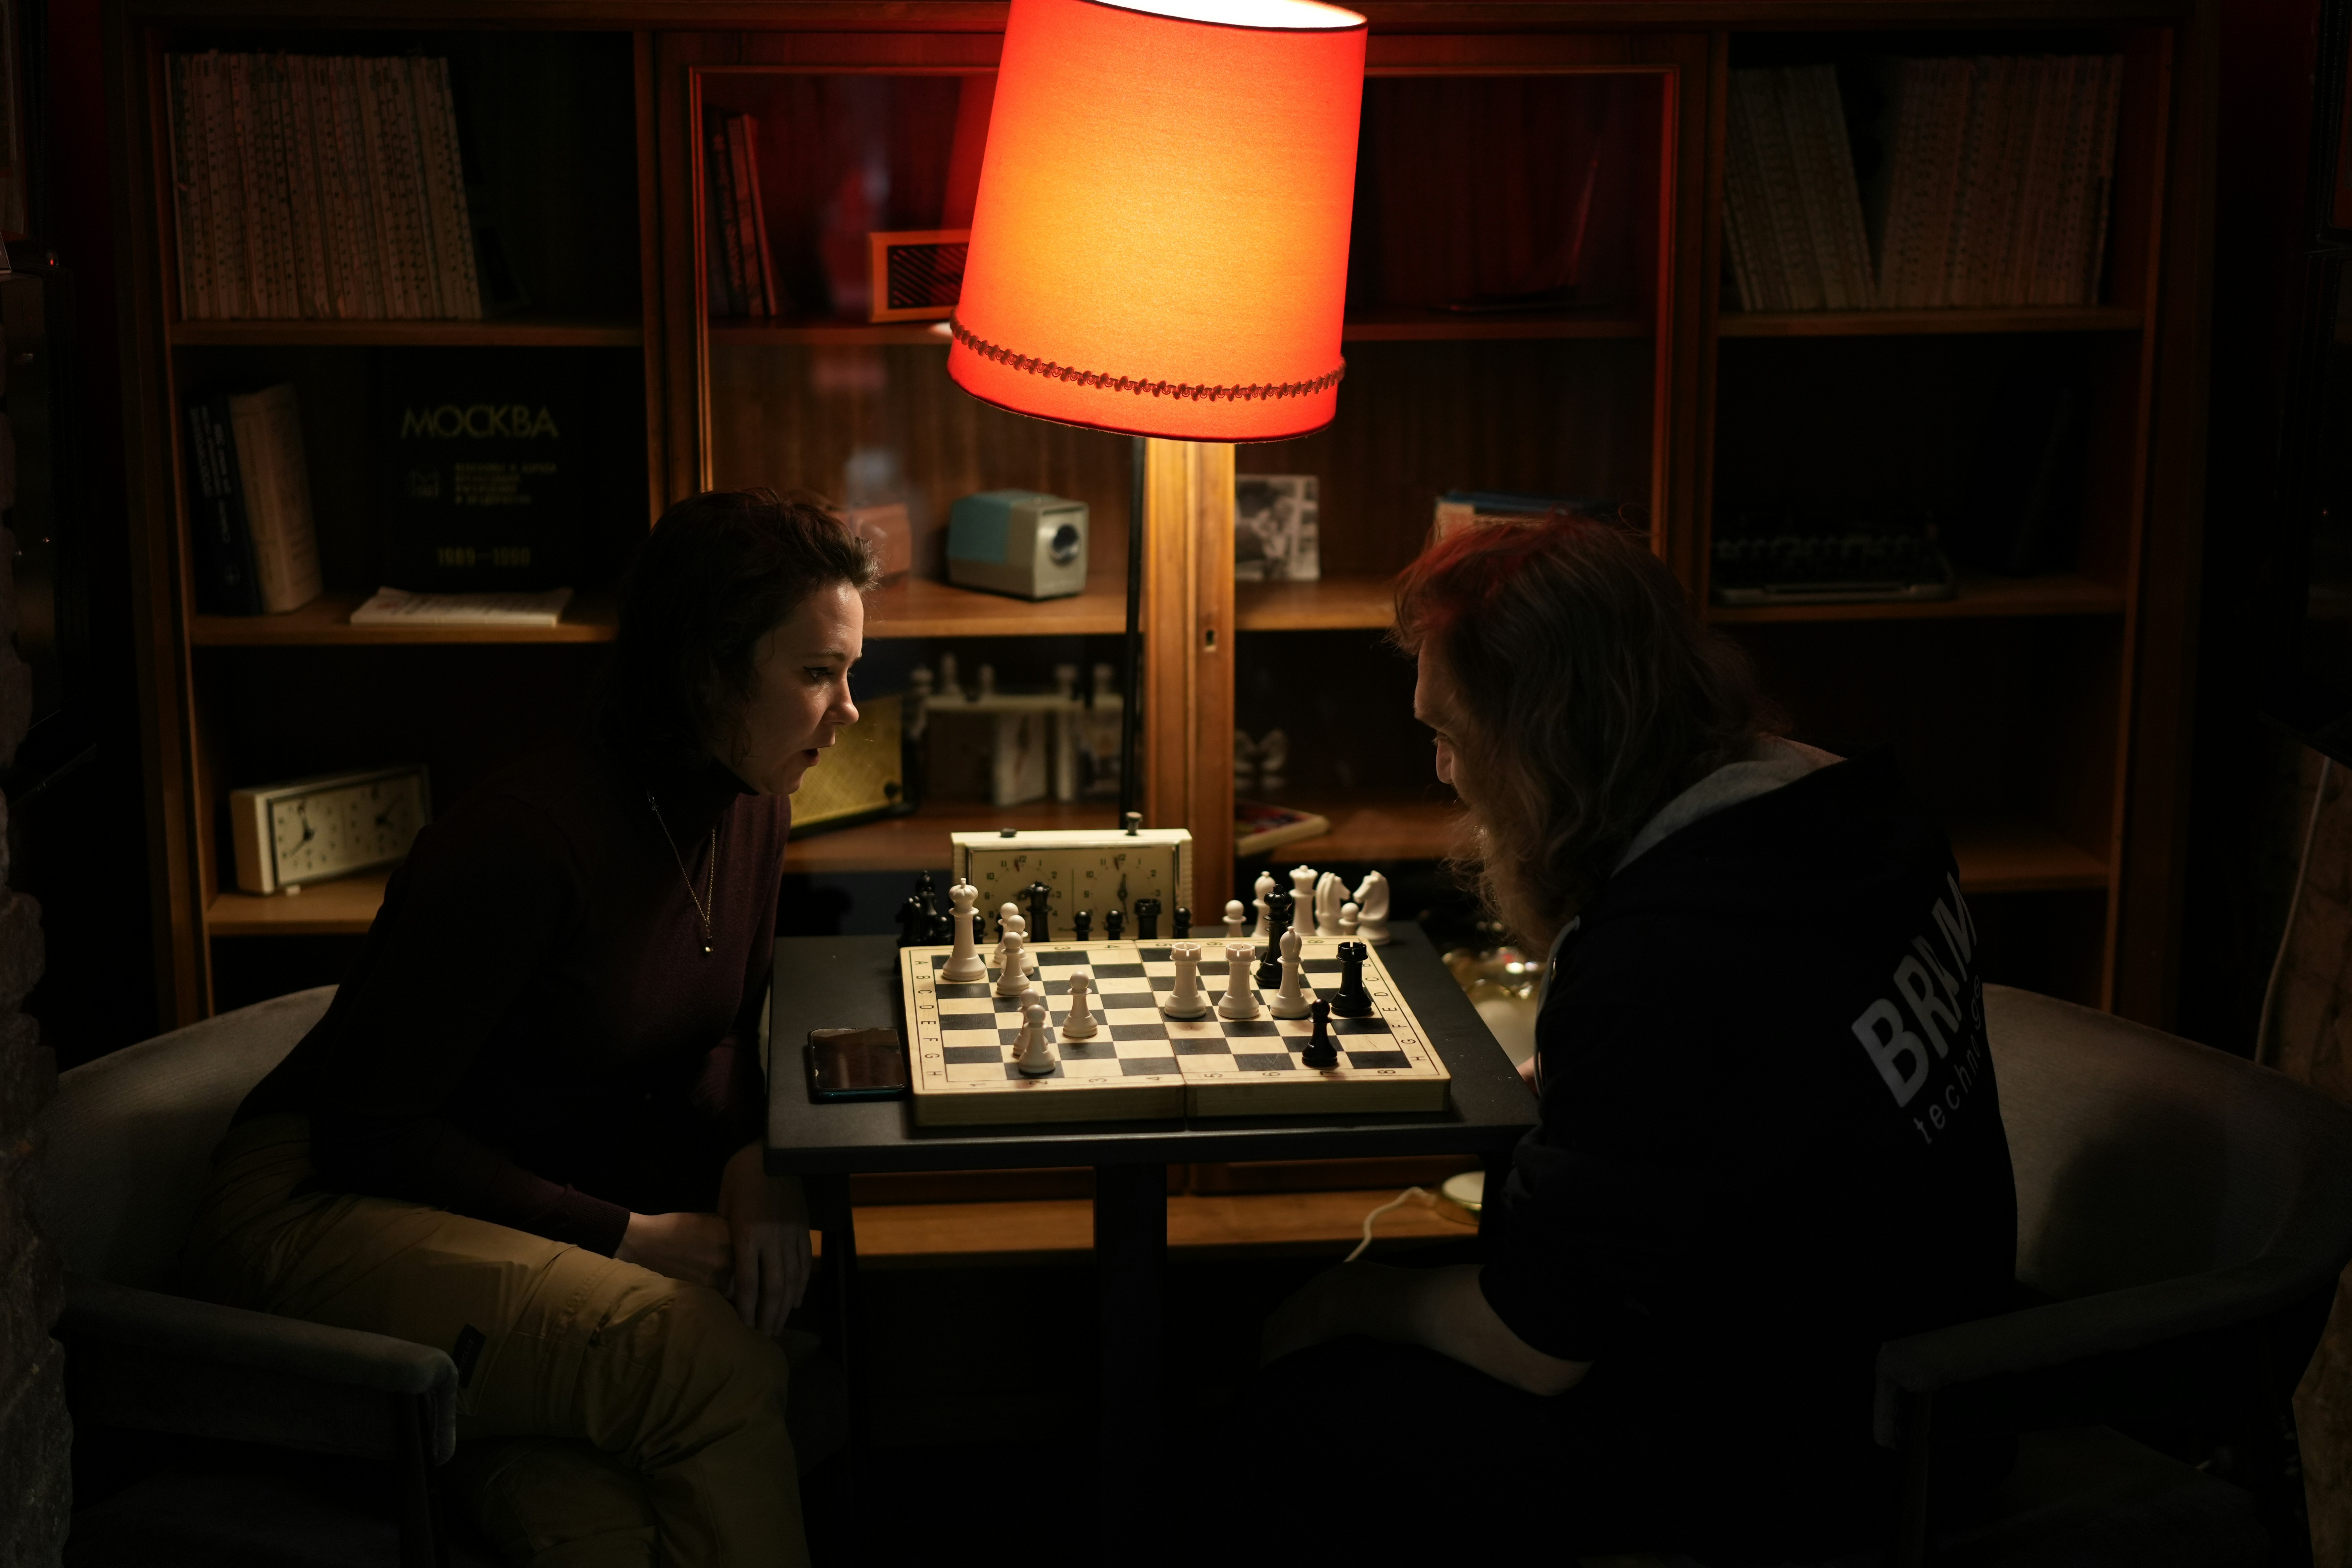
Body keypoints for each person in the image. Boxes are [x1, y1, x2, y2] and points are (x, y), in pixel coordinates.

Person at [1240, 513, 2017, 1564]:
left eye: (1455, 737)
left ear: (1543, 748)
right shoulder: (1855, 812)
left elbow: (1534, 1343)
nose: (1447, 775)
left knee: (1298, 1410)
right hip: (1946, 1392)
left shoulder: (1669, 952)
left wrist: (1349, 1296)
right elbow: (1767, 1091)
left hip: (1817, 1467)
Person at [181, 488, 879, 1567]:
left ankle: (484, 1454)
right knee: (709, 1356)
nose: (851, 713)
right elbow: (369, 1133)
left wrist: (755, 1161)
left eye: (849, 671)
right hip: (315, 1210)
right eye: (816, 674)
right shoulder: (523, 841)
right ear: (706, 672)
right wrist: (629, 1238)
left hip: (492, 1201)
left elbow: (730, 1024)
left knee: (600, 1517)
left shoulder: (754, 801)